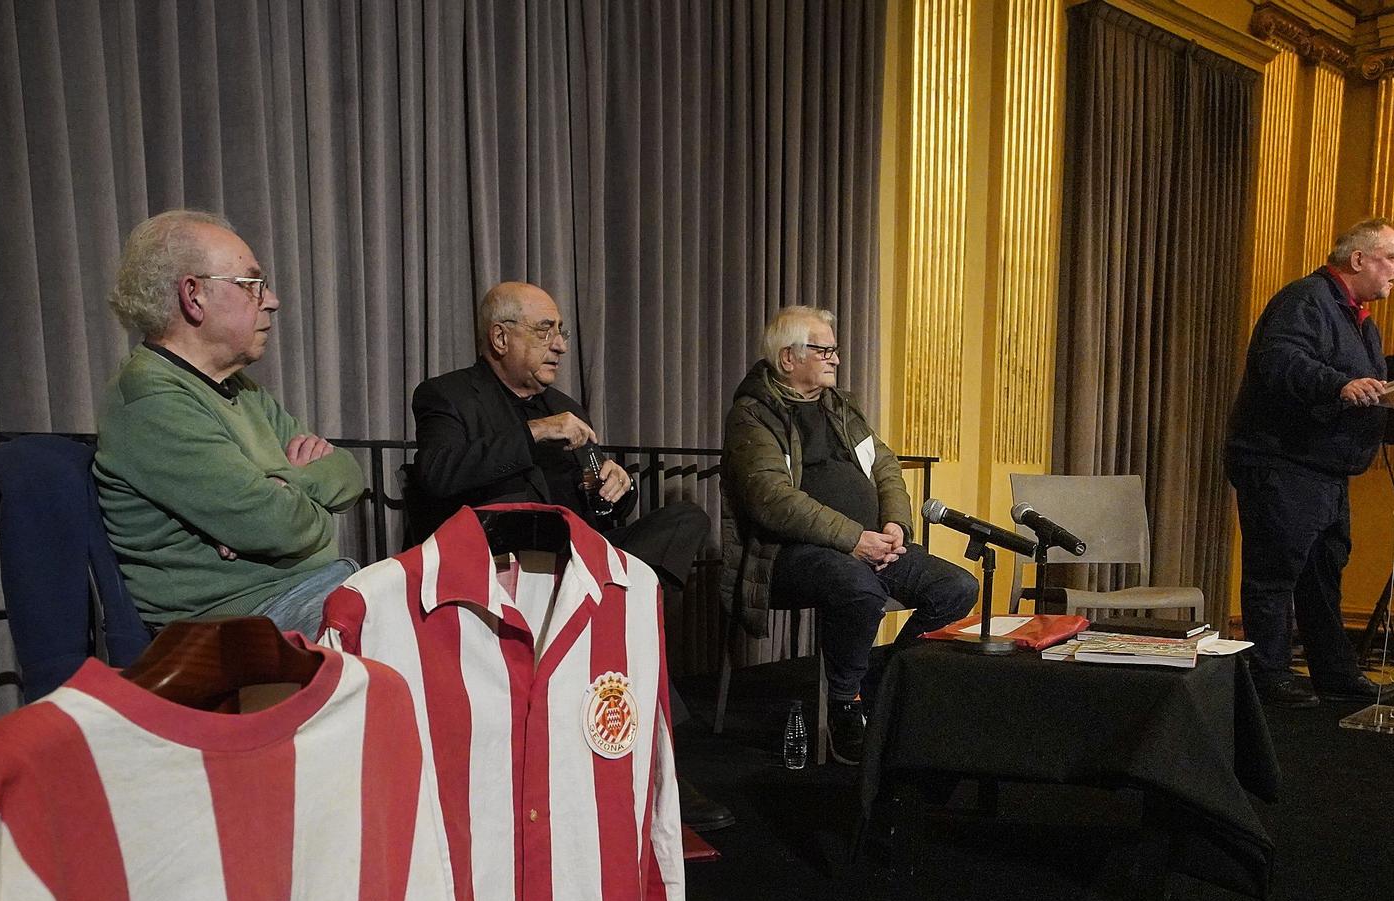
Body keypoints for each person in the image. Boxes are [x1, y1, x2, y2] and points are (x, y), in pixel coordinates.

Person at [411, 281, 731, 831]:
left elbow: (605, 512)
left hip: (582, 563)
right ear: (500, 337)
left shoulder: (566, 407)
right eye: (545, 330)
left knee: (687, 520)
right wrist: (533, 432)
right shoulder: (448, 396)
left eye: (561, 331)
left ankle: (615, 623)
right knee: (604, 608)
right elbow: (438, 476)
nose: (560, 343)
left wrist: (613, 485)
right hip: (506, 568)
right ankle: (660, 767)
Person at [721, 306, 977, 764]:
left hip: (870, 543)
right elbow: (772, 500)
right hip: (790, 554)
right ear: (787, 359)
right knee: (858, 589)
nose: (836, 359)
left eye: (834, 350)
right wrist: (854, 538)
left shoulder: (842, 407)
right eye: (823, 349)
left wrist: (896, 524)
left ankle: (880, 685)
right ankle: (844, 704)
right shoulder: (752, 415)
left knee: (957, 587)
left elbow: (886, 468)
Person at [95, 209, 364, 638]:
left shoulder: (240, 388)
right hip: (237, 625)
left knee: (457, 604)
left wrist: (282, 483)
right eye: (252, 286)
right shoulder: (150, 398)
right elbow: (276, 525)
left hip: (308, 590)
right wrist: (300, 500)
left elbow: (349, 475)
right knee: (427, 631)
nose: (271, 300)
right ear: (194, 295)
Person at [1226, 218, 1394, 709]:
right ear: (1359, 258)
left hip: (1323, 466)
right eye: (1393, 257)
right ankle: (1268, 677)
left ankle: (1335, 674)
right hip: (1281, 461)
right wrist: (1337, 385)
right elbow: (1279, 359)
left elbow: (1366, 387)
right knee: (1275, 571)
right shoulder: (1306, 299)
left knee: (1323, 574)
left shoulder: (1359, 319)